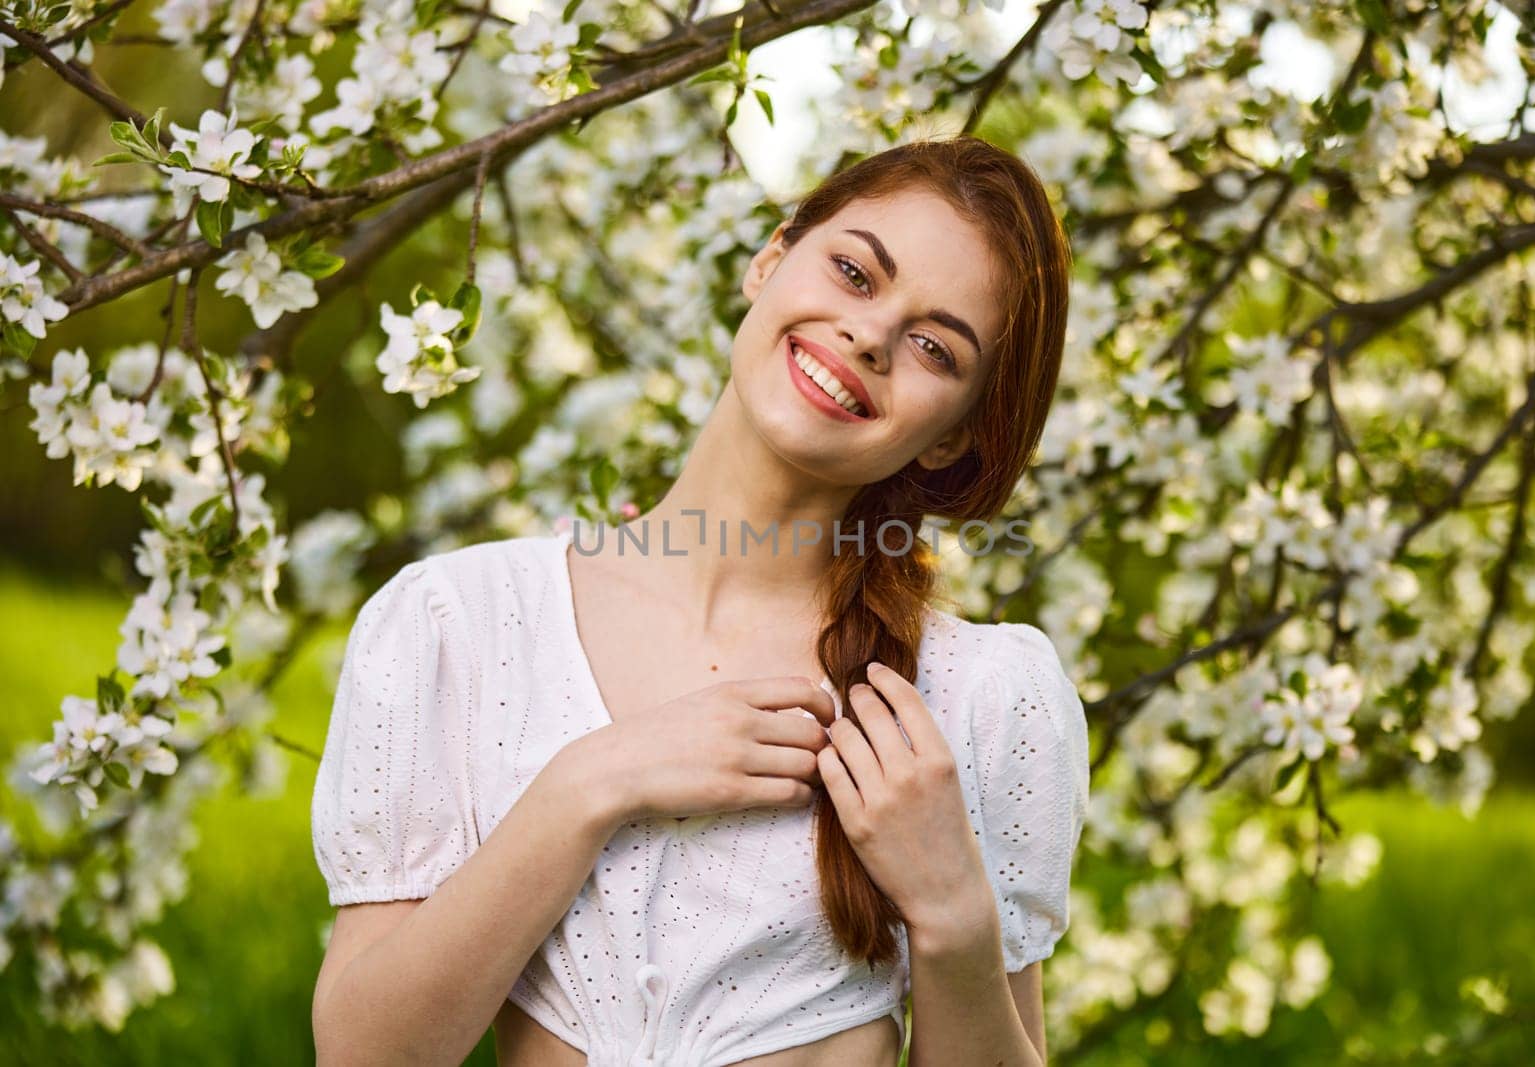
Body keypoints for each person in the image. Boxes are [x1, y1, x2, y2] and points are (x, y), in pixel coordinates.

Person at [308, 134, 1090, 1067]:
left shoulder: (985, 697)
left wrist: (956, 917)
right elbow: (364, 1055)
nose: (870, 334)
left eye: (933, 345)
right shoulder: (458, 624)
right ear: (771, 258)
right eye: (852, 271)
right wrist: (589, 785)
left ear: (951, 440)